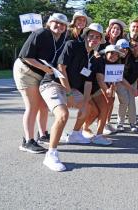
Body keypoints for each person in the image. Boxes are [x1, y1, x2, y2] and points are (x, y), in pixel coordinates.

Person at [39, 22, 101, 171]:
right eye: (91, 35)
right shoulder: (72, 45)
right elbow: (61, 68)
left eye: (97, 37)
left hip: (71, 88)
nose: (94, 39)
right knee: (63, 115)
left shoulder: (93, 58)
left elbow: (88, 83)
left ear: (100, 41)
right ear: (86, 36)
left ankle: (75, 134)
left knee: (90, 109)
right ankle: (51, 155)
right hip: (53, 84)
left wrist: (85, 102)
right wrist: (68, 93)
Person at [13, 13, 69, 153]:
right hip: (26, 71)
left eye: (63, 24)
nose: (59, 26)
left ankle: (43, 134)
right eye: (56, 22)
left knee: (43, 105)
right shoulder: (41, 33)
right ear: (49, 23)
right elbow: (26, 57)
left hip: (42, 74)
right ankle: (28, 141)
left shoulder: (62, 38)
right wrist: (46, 68)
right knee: (32, 106)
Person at [82, 44, 123, 144]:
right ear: (105, 54)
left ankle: (99, 135)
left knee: (105, 108)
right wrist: (106, 90)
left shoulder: (115, 65)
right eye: (111, 53)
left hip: (96, 89)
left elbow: (114, 81)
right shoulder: (100, 61)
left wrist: (111, 89)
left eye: (116, 54)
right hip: (85, 87)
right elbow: (100, 78)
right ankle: (82, 130)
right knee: (94, 111)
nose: (114, 56)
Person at [115, 39, 138, 132]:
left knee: (132, 102)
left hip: (132, 82)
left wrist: (137, 88)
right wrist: (131, 88)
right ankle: (120, 123)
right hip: (120, 81)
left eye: (126, 48)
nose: (124, 50)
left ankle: (132, 123)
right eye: (122, 48)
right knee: (125, 101)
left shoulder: (132, 56)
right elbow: (120, 77)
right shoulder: (116, 58)